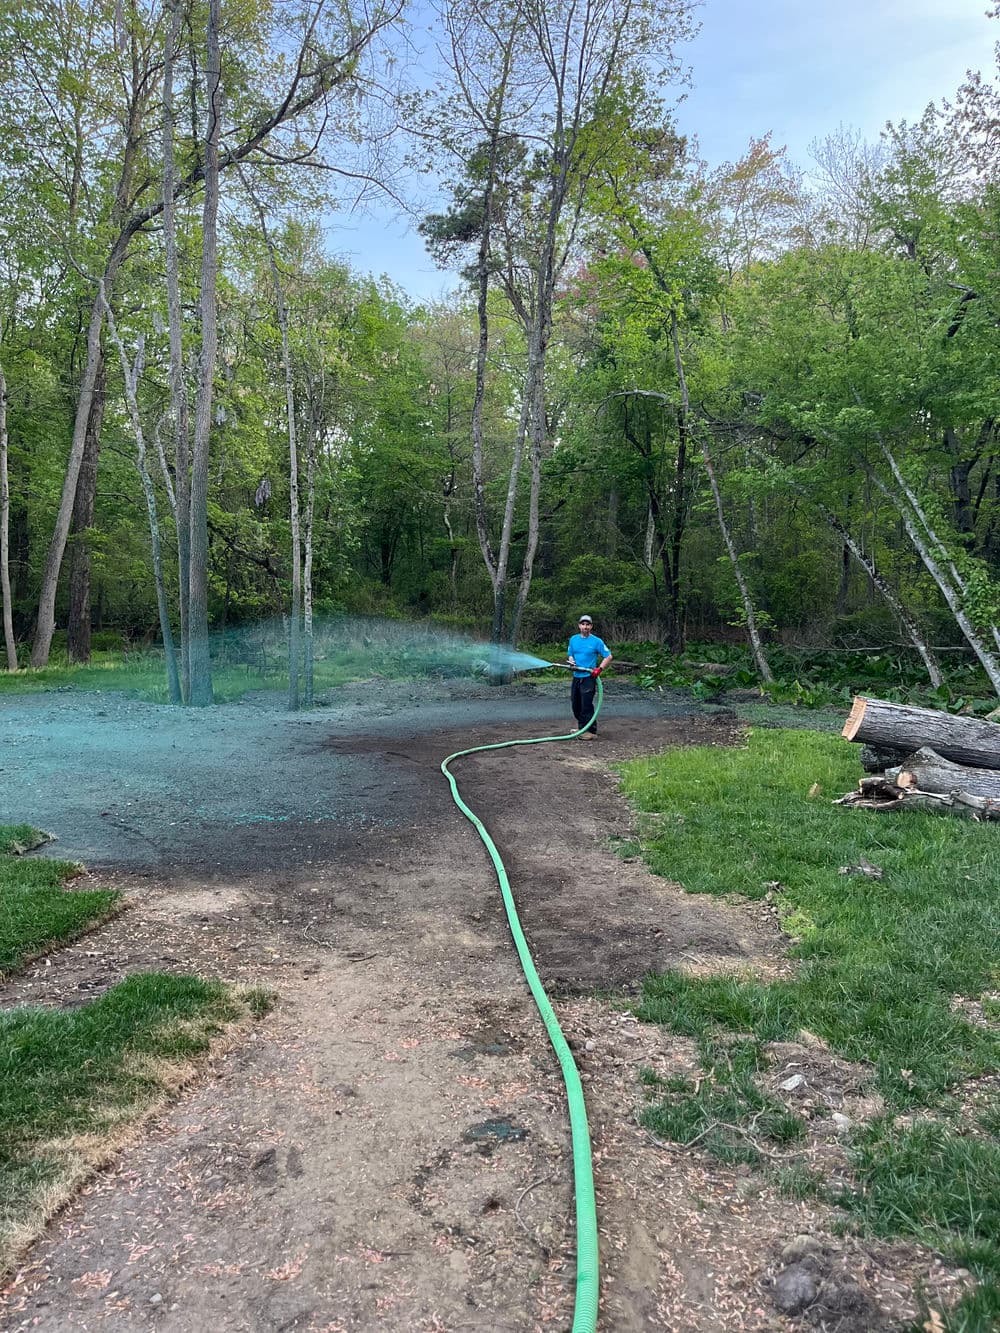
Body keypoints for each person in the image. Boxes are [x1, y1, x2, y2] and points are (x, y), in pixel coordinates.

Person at [567, 614, 613, 738]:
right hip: (577, 676)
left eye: (588, 625)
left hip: (588, 677)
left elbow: (608, 656)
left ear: (591, 626)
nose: (585, 627)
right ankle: (582, 728)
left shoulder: (596, 641)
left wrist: (599, 669)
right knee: (575, 704)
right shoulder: (573, 639)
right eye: (583, 624)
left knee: (586, 705)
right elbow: (570, 653)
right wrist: (572, 661)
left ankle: (591, 731)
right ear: (579, 626)